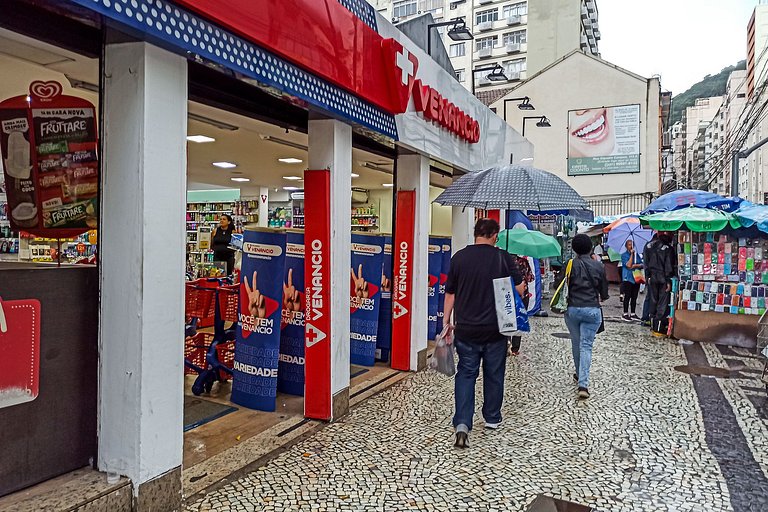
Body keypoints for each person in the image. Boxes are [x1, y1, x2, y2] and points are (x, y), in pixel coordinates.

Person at [443, 218, 525, 448]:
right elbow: (519, 288)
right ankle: (491, 417)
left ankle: (461, 424)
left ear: (476, 233)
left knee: (466, 374)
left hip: (466, 328)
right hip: (495, 329)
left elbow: (450, 293)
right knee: (494, 373)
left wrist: (446, 321)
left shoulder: (459, 257)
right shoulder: (503, 257)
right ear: (494, 235)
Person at [564, 234, 608, 400]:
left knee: (576, 342)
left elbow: (558, 286)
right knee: (586, 345)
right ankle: (583, 383)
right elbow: (604, 293)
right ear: (590, 248)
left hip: (573, 309)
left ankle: (578, 372)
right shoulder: (598, 266)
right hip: (592, 310)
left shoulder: (569, 265)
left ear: (574, 248)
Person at [643, 231, 676, 336]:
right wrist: (667, 281)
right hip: (662, 278)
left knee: (653, 301)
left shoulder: (648, 246)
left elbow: (646, 263)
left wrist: (647, 276)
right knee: (662, 303)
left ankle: (653, 325)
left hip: (652, 277)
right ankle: (658, 328)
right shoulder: (668, 249)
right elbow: (668, 266)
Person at [509, 255, 533, 356]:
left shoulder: (503, 261)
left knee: (506, 318)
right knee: (519, 319)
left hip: (507, 295)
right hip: (522, 296)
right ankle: (515, 348)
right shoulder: (523, 262)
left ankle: (506, 344)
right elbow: (530, 278)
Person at [620, 240, 643, 322]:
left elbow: (642, 264)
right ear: (626, 246)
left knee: (634, 296)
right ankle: (625, 313)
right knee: (627, 296)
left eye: (632, 245)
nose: (631, 246)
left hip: (636, 278)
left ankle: (633, 313)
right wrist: (631, 255)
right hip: (628, 278)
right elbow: (628, 265)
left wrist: (636, 265)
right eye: (629, 245)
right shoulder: (624, 255)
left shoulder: (637, 255)